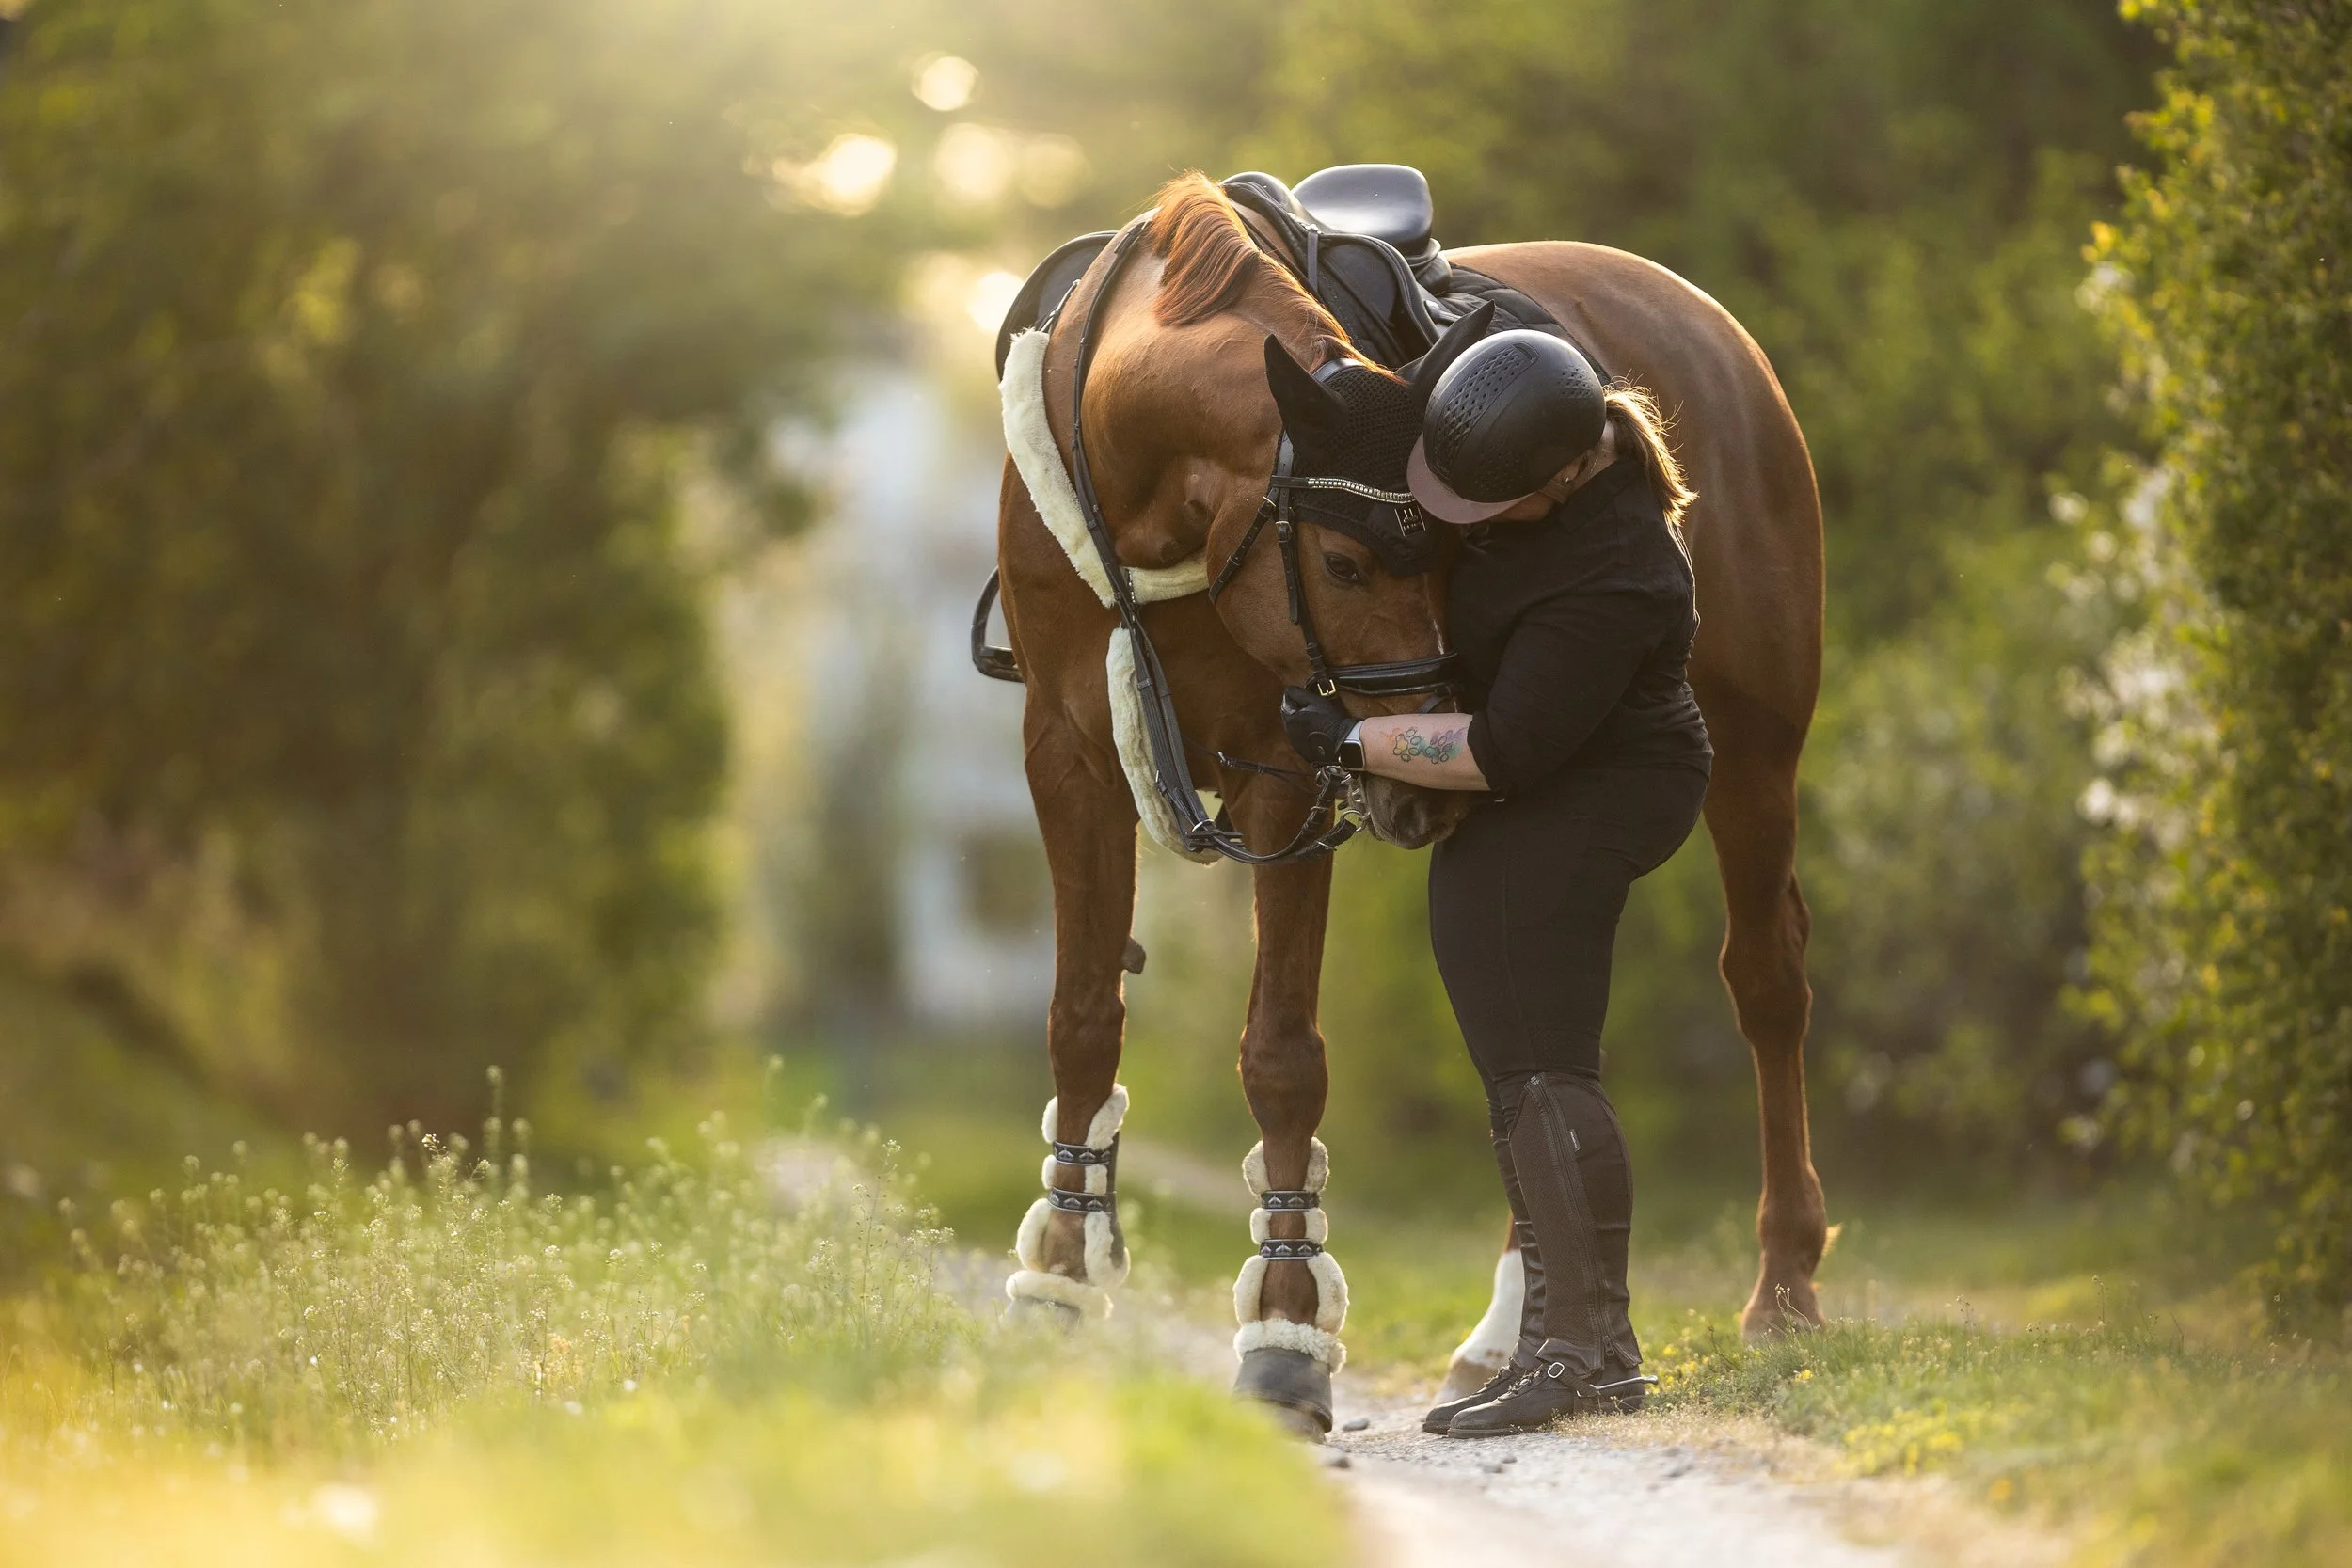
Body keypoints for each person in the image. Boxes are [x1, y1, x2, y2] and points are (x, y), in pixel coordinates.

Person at [1280, 329, 1709, 1437]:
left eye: (1487, 506)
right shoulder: (1523, 455)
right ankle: (1568, 1338)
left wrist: (1351, 742)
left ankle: (1585, 1349)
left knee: (1542, 1053)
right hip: (1542, 786)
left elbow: (1503, 748)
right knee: (1512, 1056)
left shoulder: (1615, 573)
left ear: (1565, 476)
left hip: (1595, 788)